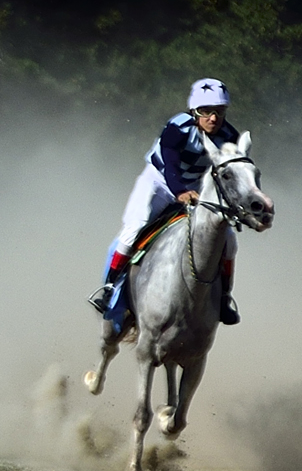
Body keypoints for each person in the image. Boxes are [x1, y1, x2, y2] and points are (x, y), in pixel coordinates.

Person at [90, 78, 243, 328]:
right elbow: (171, 165)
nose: (213, 119)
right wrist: (179, 191)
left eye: (219, 112)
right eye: (206, 112)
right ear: (195, 111)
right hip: (158, 182)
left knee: (229, 242)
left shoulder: (230, 137)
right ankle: (108, 288)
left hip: (196, 188)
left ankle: (224, 299)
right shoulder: (177, 127)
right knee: (134, 228)